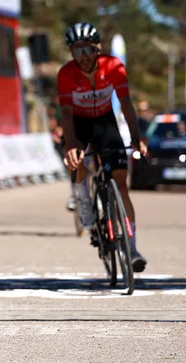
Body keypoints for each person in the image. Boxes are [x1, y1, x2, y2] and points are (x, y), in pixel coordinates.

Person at [58, 22, 148, 272]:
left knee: (120, 182)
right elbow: (66, 113)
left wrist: (136, 137)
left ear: (98, 48)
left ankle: (131, 248)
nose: (83, 57)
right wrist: (72, 145)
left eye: (87, 50)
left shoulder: (114, 67)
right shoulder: (66, 74)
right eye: (77, 52)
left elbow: (126, 105)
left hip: (105, 122)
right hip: (79, 123)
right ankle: (83, 198)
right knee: (76, 163)